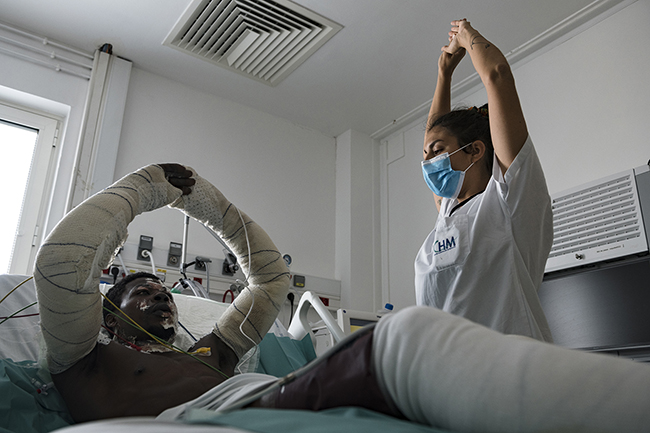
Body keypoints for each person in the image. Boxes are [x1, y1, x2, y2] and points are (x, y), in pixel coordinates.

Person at [35, 164, 650, 433]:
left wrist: (211, 206)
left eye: (163, 287)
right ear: (108, 314)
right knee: (407, 337)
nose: (162, 295)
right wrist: (156, 186)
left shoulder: (207, 355)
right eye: (143, 290)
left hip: (272, 398)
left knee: (404, 342)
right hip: (208, 423)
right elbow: (64, 265)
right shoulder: (83, 361)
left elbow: (270, 282)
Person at [415, 19, 553, 342]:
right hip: (449, 378)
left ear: (475, 150)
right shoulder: (447, 214)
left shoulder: (506, 199)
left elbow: (497, 77)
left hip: (511, 378)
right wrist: (443, 74)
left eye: (436, 152)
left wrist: (465, 36)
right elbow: (436, 130)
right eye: (425, 156)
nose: (428, 163)